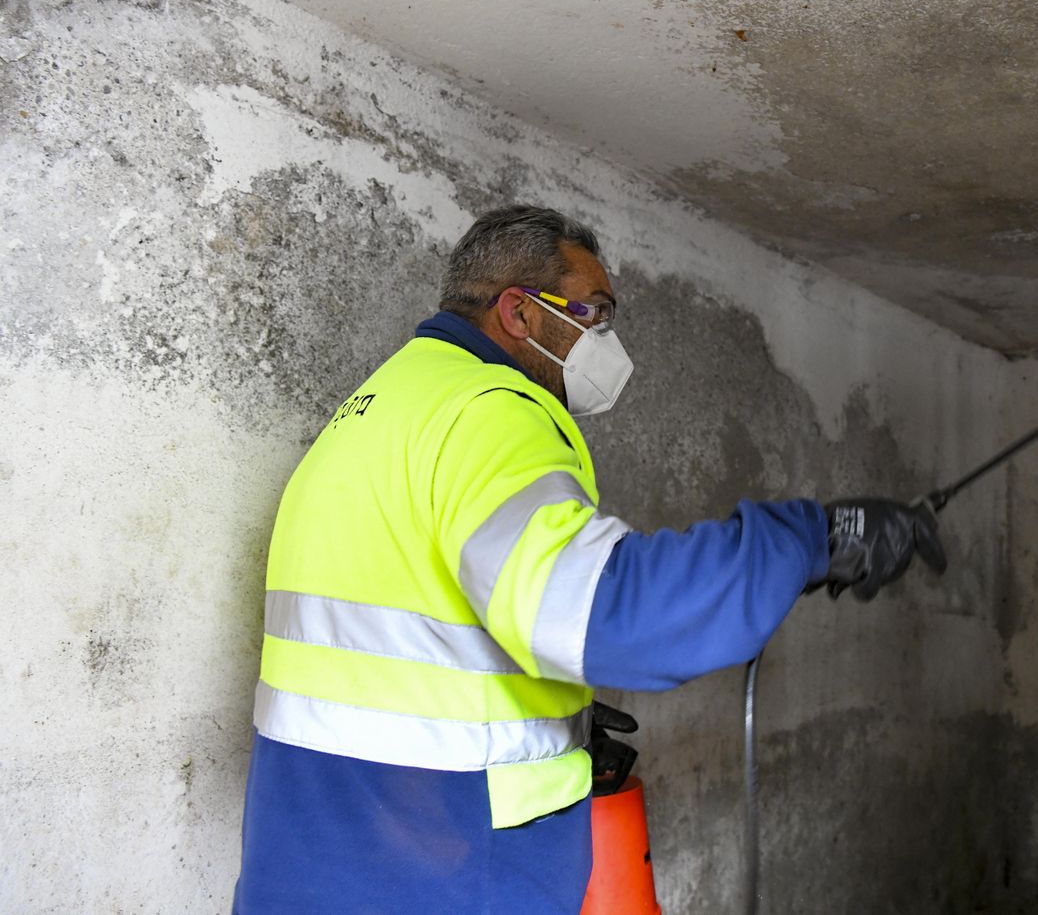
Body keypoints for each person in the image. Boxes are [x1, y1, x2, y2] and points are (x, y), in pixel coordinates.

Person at [232, 205, 945, 912]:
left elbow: (405, 631)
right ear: (520, 313)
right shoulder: (491, 411)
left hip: (315, 853)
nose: (607, 338)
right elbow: (613, 612)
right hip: (444, 868)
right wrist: (812, 537)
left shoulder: (382, 405)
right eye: (595, 312)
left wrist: (546, 711)